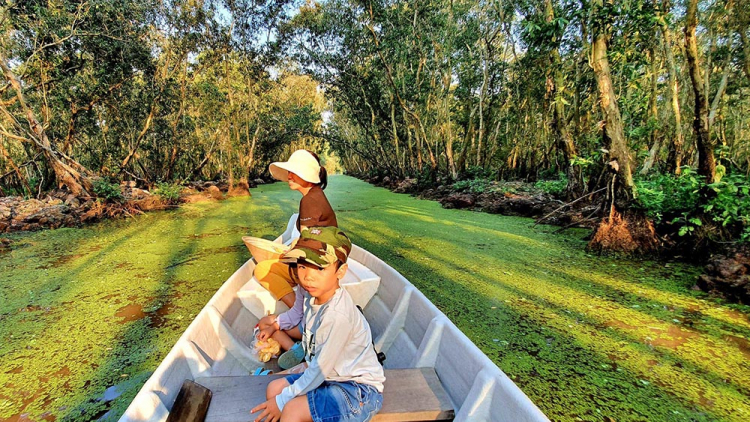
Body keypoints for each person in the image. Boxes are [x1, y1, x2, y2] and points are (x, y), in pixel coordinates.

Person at [251, 227, 385, 422]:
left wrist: (282, 402)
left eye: (320, 268)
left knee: (291, 410)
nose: (308, 277)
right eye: (302, 266)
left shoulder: (337, 316)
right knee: (274, 389)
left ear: (341, 271)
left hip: (357, 389)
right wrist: (275, 325)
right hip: (329, 376)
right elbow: (297, 317)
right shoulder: (308, 293)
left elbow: (319, 369)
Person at [254, 149, 338, 309]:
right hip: (324, 263)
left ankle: (297, 309)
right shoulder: (317, 194)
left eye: (295, 172)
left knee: (262, 268)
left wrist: (289, 255)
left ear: (308, 175)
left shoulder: (309, 201)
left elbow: (306, 245)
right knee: (279, 258)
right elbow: (310, 238)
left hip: (316, 270)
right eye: (289, 172)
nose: (289, 176)